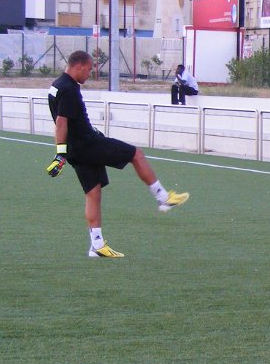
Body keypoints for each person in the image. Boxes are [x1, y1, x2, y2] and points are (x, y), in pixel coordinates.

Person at [47, 50, 190, 258]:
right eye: (89, 69)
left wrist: (65, 151)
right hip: (88, 145)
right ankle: (163, 197)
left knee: (93, 192)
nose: (90, 73)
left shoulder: (56, 85)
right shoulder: (68, 88)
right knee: (136, 154)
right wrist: (59, 153)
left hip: (75, 149)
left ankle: (96, 245)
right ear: (78, 66)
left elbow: (67, 120)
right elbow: (61, 122)